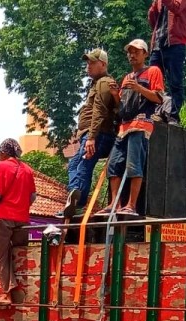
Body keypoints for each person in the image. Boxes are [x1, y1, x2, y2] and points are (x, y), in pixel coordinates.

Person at [99, 39, 165, 217]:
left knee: (134, 164)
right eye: (130, 52)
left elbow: (159, 98)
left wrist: (138, 87)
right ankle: (115, 203)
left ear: (145, 53)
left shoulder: (153, 71)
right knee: (113, 164)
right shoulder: (127, 77)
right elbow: (123, 107)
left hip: (142, 124)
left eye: (136, 51)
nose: (132, 55)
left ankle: (131, 205)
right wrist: (115, 94)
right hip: (124, 126)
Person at [63, 49, 119, 218]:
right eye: (87, 63)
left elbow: (100, 110)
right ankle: (74, 201)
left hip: (98, 135)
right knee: (75, 165)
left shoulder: (104, 82)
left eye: (92, 63)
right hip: (93, 134)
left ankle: (78, 204)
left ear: (103, 64)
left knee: (83, 166)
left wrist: (92, 137)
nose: (88, 66)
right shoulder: (97, 83)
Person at [0, 138, 37, 307]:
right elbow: (32, 197)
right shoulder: (28, 170)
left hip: (3, 217)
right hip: (22, 219)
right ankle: (28, 292)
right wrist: (20, 208)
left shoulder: (0, 166)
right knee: (20, 253)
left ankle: (7, 294)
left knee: (2, 256)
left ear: (3, 152)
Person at [148, 0, 186, 120]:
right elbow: (152, 19)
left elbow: (176, 7)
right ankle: (154, 113)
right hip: (158, 44)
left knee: (175, 83)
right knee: (153, 82)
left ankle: (173, 116)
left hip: (175, 43)